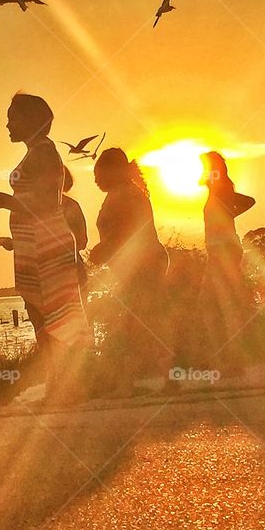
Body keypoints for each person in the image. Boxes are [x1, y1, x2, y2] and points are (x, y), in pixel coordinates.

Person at [0, 93, 91, 402]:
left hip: (48, 245)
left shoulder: (44, 152)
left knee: (55, 316)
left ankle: (69, 384)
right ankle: (60, 384)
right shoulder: (37, 152)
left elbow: (46, 203)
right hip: (33, 247)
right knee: (42, 315)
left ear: (31, 120)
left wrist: (3, 201)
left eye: (13, 117)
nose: (7, 124)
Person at [88, 148, 169, 394]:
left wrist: (105, 247)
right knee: (138, 322)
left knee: (139, 322)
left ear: (112, 172)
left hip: (145, 265)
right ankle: (140, 378)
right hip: (134, 267)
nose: (95, 178)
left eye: (98, 173)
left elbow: (135, 232)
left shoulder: (129, 195)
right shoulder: (120, 193)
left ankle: (140, 379)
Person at [197, 151, 256, 371]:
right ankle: (227, 358)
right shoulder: (217, 190)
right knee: (218, 303)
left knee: (216, 303)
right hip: (221, 250)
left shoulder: (221, 189)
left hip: (223, 250)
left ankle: (230, 359)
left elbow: (249, 201)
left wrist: (230, 213)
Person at [61, 167, 89, 297]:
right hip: (49, 276)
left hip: (71, 272)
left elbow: (82, 241)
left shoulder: (71, 206)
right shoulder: (37, 209)